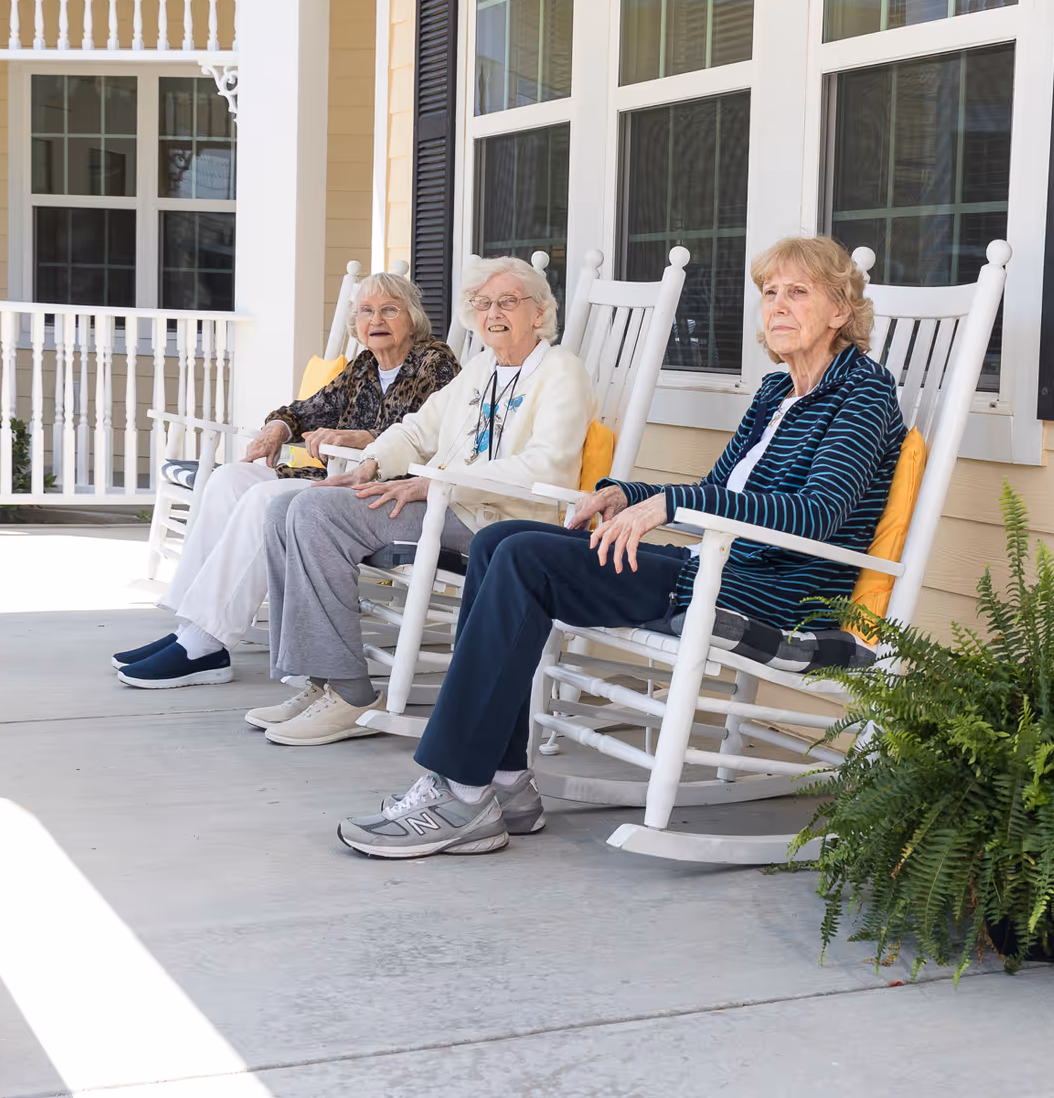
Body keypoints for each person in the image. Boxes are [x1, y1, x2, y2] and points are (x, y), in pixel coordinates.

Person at [337, 235, 905, 858]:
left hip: (769, 595)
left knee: (526, 558)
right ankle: (502, 780)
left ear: (840, 311)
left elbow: (815, 513)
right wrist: (624, 492)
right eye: (770, 293)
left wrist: (674, 507)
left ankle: (461, 790)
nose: (777, 306)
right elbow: (718, 489)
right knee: (501, 540)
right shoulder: (775, 392)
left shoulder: (863, 394)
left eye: (798, 293)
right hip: (711, 568)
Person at [253, 255, 596, 746]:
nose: (492, 313)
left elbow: (546, 465)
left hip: (498, 521)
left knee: (314, 512)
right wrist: (369, 465)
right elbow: (417, 429)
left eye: (507, 302)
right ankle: (319, 678)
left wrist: (438, 483)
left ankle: (349, 693)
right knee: (283, 507)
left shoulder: (563, 373)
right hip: (447, 506)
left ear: (538, 314)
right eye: (481, 304)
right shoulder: (482, 369)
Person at [114, 272, 459, 690]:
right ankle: (191, 629)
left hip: (376, 489)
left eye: (389, 309)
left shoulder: (434, 362)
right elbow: (306, 409)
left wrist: (365, 439)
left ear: (412, 317)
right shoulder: (364, 366)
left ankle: (204, 643)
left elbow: (432, 437)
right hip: (329, 476)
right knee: (230, 478)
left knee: (264, 500)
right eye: (367, 310)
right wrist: (279, 426)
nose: (376, 319)